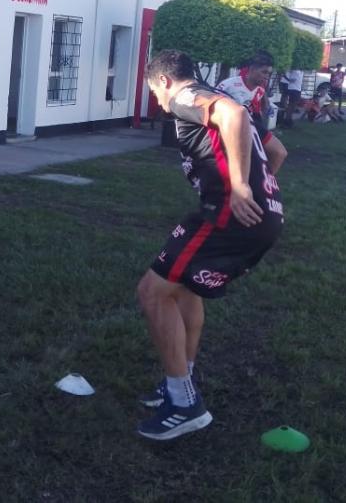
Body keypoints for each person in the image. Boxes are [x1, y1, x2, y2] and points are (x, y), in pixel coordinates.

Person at [136, 50, 283, 441]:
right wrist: (259, 194)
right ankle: (179, 384)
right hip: (259, 217)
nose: (156, 99)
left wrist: (239, 186)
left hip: (228, 216)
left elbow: (232, 116)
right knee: (184, 290)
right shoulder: (212, 94)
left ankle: (184, 403)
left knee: (152, 293)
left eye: (153, 89)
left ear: (165, 81)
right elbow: (277, 151)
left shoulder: (187, 97)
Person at [216, 51, 287, 173]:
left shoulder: (260, 89)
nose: (267, 77)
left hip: (252, 126)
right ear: (252, 69)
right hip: (230, 129)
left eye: (269, 74)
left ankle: (266, 183)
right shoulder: (228, 85)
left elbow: (258, 109)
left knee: (280, 153)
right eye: (264, 72)